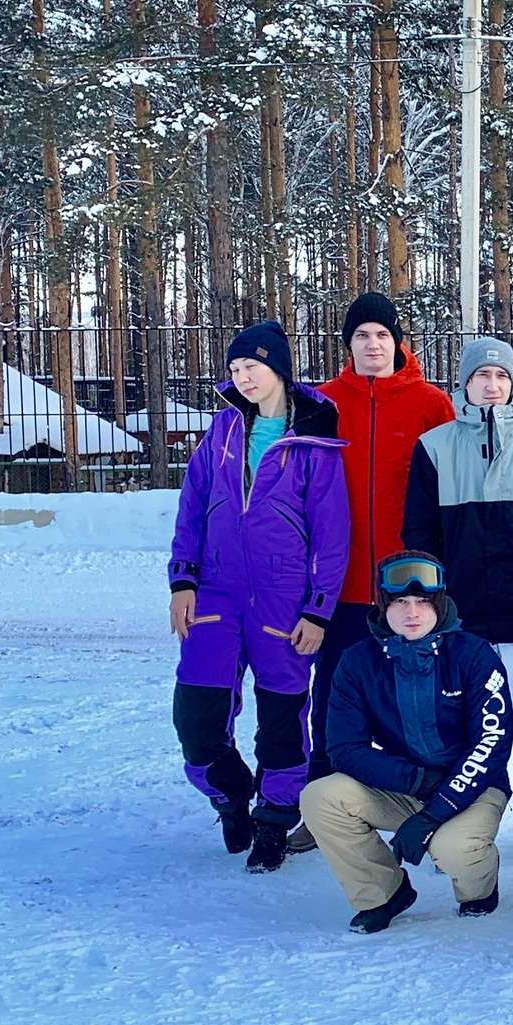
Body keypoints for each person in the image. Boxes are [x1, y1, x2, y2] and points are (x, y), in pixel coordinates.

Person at [168, 321, 350, 873]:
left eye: (253, 367)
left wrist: (318, 609)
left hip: (283, 602)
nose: (243, 378)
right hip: (216, 596)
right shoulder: (221, 431)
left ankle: (274, 817)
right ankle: (230, 795)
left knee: (281, 719)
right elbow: (192, 509)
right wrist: (182, 581)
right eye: (235, 369)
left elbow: (332, 533)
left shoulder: (314, 440)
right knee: (195, 718)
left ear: (279, 369)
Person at [404, 337, 513, 858]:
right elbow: (420, 534)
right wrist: (435, 605)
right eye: (481, 375)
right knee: (460, 729)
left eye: (501, 376)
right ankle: (454, 829)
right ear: (463, 384)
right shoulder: (434, 447)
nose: (492, 384)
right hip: (462, 620)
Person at [304, 553, 513, 933]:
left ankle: (479, 887)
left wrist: (437, 809)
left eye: (422, 601)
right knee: (321, 797)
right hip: (405, 784)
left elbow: (493, 743)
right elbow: (344, 748)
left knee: (452, 847)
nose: (412, 612)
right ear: (383, 605)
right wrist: (418, 783)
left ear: (441, 602)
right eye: (400, 602)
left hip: (474, 787)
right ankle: (383, 892)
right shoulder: (357, 662)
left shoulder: (474, 655)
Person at [306, 295, 454, 808]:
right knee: (332, 692)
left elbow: (447, 491)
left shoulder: (432, 404)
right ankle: (321, 794)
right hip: (340, 580)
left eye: (382, 335)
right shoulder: (321, 403)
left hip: (408, 583)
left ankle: (428, 799)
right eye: (362, 335)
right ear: (348, 344)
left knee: (417, 697)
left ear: (398, 342)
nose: (373, 344)